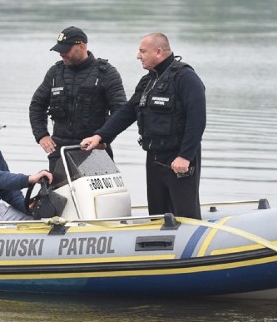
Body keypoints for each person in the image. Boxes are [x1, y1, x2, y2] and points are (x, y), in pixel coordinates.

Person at [80, 33, 206, 219]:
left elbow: (198, 120)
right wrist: (100, 136)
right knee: (157, 214)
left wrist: (185, 156)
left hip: (179, 159)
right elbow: (127, 111)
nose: (138, 56)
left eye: (142, 51)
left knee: (184, 215)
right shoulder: (148, 81)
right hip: (154, 157)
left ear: (158, 51)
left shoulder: (186, 77)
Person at [29, 26, 127, 171]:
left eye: (66, 50)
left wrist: (103, 139)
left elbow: (121, 111)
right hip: (60, 151)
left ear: (81, 46)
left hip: (95, 150)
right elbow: (37, 105)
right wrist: (41, 135)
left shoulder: (106, 73)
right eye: (59, 50)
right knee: (59, 194)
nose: (62, 54)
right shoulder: (55, 73)